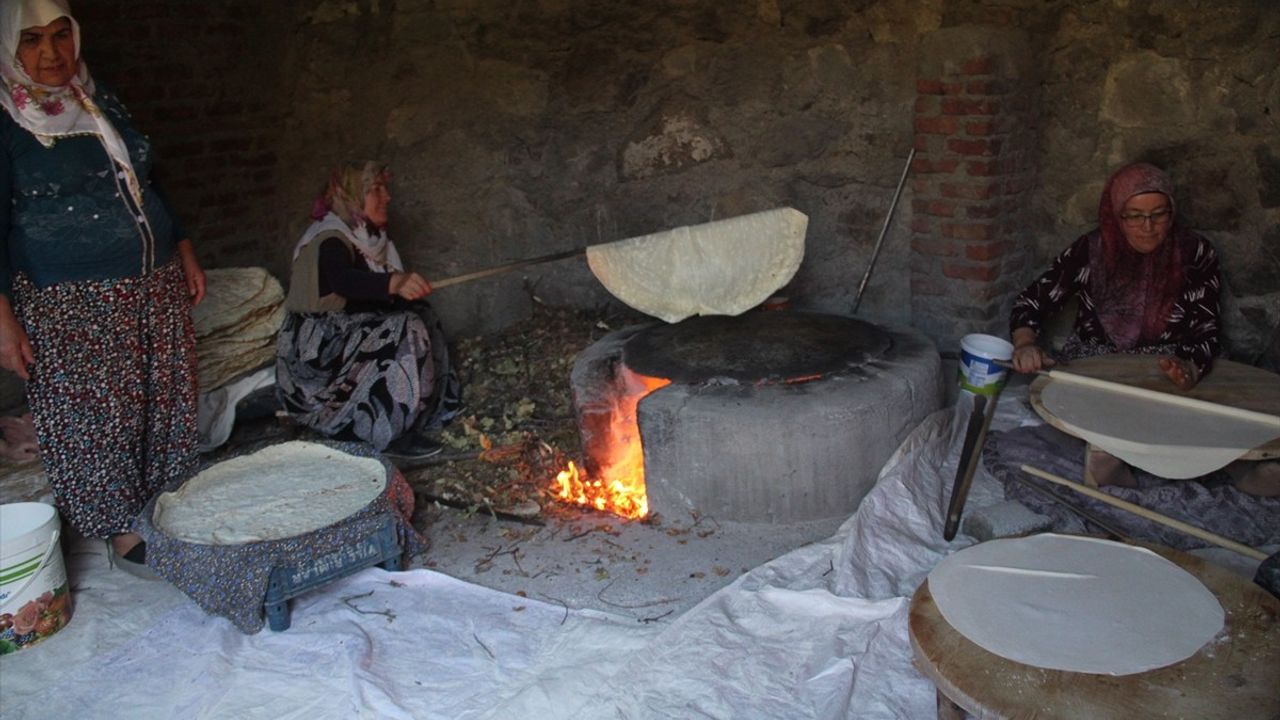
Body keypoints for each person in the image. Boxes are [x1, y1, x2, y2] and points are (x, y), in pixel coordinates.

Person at [0, 0, 206, 575]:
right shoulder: (6, 119)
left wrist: (183, 245)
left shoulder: (99, 98)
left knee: (163, 402)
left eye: (61, 36)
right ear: (10, 49)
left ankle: (165, 507)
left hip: (153, 283)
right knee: (96, 418)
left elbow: (148, 180)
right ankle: (119, 529)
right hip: (70, 300)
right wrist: (2, 317)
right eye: (32, 40)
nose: (51, 53)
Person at [1009, 161, 1276, 494]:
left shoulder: (1194, 253)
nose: (1147, 227)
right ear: (1115, 214)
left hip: (1172, 359)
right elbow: (1033, 301)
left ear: (1172, 212)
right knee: (1096, 403)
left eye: (1159, 214)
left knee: (1203, 411)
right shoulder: (1090, 251)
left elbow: (1205, 325)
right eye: (1134, 215)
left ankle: (1242, 471)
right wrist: (1025, 343)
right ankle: (1111, 457)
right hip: (1102, 358)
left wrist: (1191, 367)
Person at [276, 161, 460, 460]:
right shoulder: (329, 238)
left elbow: (364, 298)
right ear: (350, 197)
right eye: (376, 190)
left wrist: (400, 292)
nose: (386, 197)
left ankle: (428, 410)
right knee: (405, 327)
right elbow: (342, 280)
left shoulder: (364, 238)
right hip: (317, 361)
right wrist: (394, 282)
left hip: (344, 337)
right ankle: (387, 432)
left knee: (420, 312)